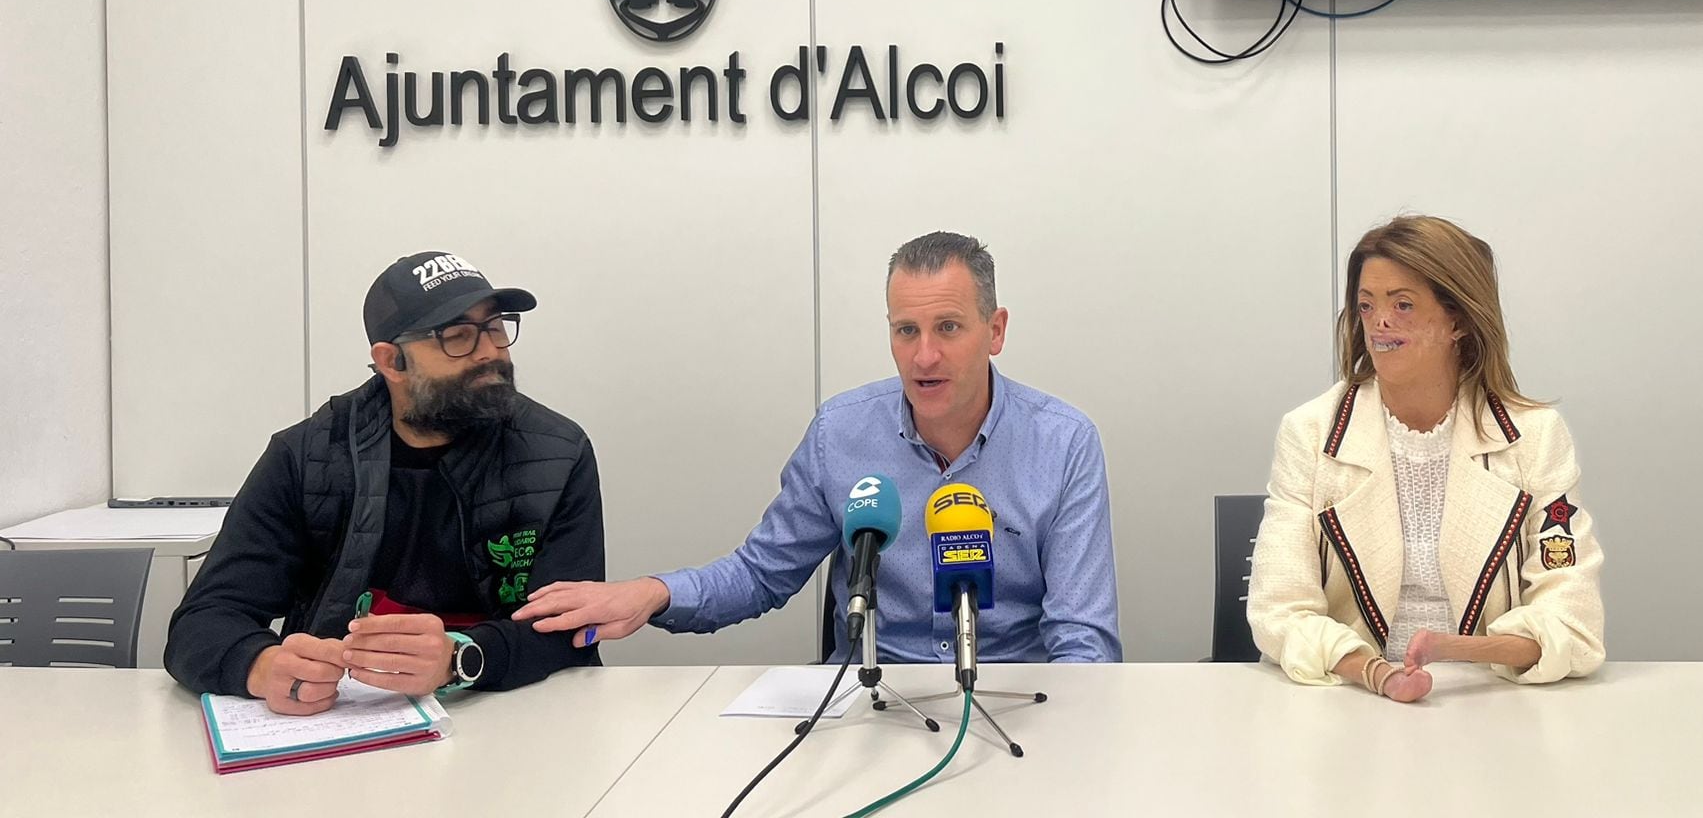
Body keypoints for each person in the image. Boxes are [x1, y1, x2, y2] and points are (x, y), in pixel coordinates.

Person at [513, 231, 1121, 663]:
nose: (924, 356)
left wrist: (1058, 751)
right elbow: (759, 576)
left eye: (948, 328)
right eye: (905, 330)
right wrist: (654, 592)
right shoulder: (842, 434)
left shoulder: (1063, 444)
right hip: (871, 702)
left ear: (995, 331)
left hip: (1012, 703)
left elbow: (1082, 640)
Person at [165, 252, 605, 714]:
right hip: (341, 718)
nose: (491, 351)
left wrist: (460, 658)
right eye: (457, 336)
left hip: (514, 713)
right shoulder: (307, 457)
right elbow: (203, 621)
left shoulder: (557, 453)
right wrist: (261, 664)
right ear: (391, 361)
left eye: (495, 326)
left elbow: (577, 629)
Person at [1247, 216, 1603, 701]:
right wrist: (1379, 674)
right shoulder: (1309, 433)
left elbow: (1572, 619)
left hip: (1496, 703)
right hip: (1346, 699)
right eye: (1367, 306)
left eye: (1404, 305)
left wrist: (1452, 649)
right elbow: (1279, 609)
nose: (1379, 323)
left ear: (1457, 320)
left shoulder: (1534, 437)